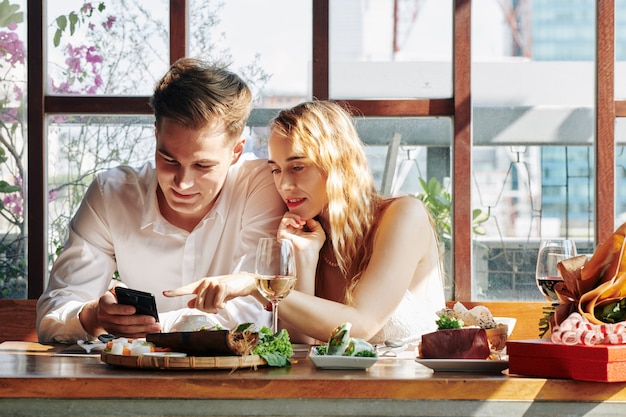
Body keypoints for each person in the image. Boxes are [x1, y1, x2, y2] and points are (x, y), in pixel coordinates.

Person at [36, 58, 286, 343]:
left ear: (236, 152)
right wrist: (93, 317)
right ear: (156, 133)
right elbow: (51, 316)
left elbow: (257, 314)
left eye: (203, 166)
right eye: (169, 159)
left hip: (237, 382)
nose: (182, 182)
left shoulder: (261, 184)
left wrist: (151, 329)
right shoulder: (111, 193)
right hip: (131, 380)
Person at [165, 100, 446, 344]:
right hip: (335, 396)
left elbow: (362, 325)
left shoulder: (404, 215)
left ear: (338, 163)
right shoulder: (313, 235)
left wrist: (256, 284)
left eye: (297, 167)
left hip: (419, 396)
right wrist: (304, 258)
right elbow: (300, 341)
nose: (284, 185)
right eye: (276, 169)